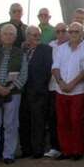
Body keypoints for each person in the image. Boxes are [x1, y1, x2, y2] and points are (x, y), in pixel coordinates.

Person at [0, 24, 28, 166]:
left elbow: (23, 75)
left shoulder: (21, 54)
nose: (8, 36)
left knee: (11, 124)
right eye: (5, 34)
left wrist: (9, 88)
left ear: (15, 37)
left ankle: (8, 154)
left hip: (12, 94)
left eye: (11, 34)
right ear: (0, 36)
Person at [52, 22, 84, 160]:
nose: (73, 34)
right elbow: (55, 67)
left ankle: (77, 151)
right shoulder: (61, 49)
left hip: (78, 91)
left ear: (82, 33)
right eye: (71, 31)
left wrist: (72, 84)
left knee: (76, 121)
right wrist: (61, 82)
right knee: (62, 122)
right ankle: (65, 150)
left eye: (76, 32)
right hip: (61, 90)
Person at [18, 26, 54, 159]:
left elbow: (48, 70)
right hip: (22, 91)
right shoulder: (23, 50)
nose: (37, 37)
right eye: (33, 35)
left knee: (38, 121)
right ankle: (25, 149)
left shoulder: (46, 50)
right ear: (27, 37)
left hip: (39, 91)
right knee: (24, 121)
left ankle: (37, 150)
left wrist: (41, 87)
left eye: (38, 34)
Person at [43, 22, 68, 159]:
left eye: (63, 31)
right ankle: (55, 147)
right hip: (52, 87)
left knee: (66, 119)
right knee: (53, 118)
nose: (60, 34)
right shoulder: (50, 46)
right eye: (57, 31)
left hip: (69, 88)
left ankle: (67, 147)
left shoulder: (74, 46)